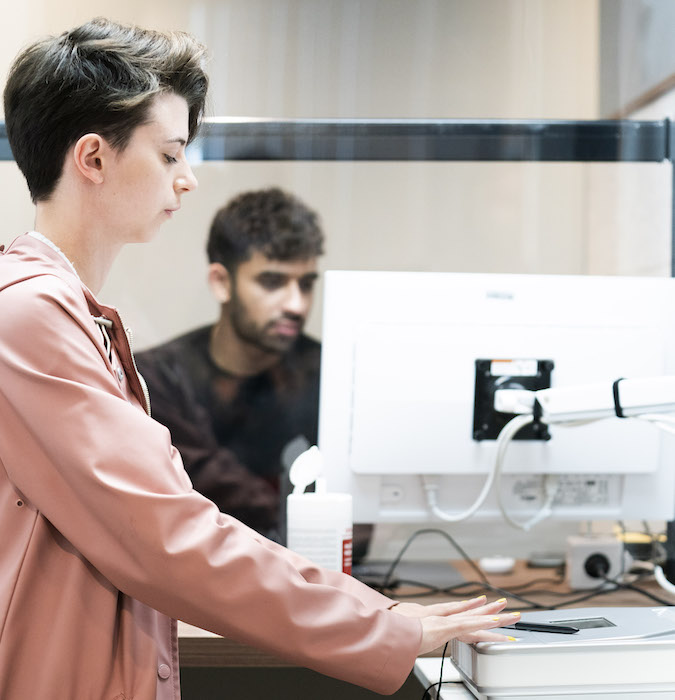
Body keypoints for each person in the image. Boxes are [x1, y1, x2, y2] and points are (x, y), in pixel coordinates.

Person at [0, 17, 518, 700]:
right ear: (93, 159)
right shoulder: (31, 315)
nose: (185, 180)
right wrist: (379, 622)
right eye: (169, 154)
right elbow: (165, 535)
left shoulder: (60, 310)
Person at [136, 187, 371, 556]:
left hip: (315, 584)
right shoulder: (157, 380)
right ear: (221, 282)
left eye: (306, 284)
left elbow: (359, 530)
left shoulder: (335, 376)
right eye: (272, 282)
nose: (296, 304)